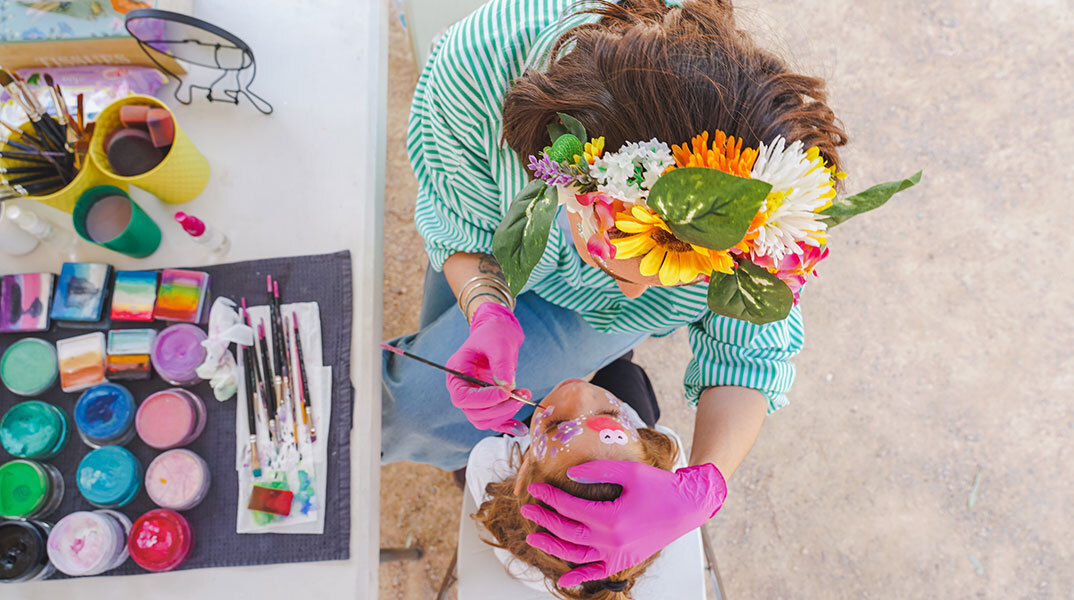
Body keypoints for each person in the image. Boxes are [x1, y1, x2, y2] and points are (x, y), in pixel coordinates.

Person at [383, 0, 853, 587]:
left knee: (445, 405)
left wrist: (705, 486)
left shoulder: (767, 197)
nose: (645, 299)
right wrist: (486, 306)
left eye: (692, 270)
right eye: (639, 258)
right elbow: (459, 225)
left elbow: (747, 355)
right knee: (415, 406)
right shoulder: (472, 75)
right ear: (566, 181)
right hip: (498, 253)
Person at [469, 375, 715, 599]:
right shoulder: (665, 471)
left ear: (523, 473)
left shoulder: (491, 459)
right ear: (648, 444)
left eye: (556, 424)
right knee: (625, 374)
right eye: (611, 413)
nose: (579, 392)